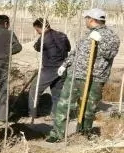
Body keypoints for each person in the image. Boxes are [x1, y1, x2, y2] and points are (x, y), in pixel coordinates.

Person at [47, 8, 120, 142]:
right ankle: (57, 134)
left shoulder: (111, 36)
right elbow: (76, 52)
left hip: (94, 78)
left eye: (87, 18)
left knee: (87, 109)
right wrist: (65, 64)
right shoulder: (87, 34)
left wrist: (100, 42)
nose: (85, 21)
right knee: (63, 105)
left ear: (92, 20)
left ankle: (84, 134)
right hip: (74, 75)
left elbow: (110, 54)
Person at [28, 19, 71, 119]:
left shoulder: (44, 38)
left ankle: (32, 114)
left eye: (37, 29)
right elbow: (68, 48)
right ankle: (56, 114)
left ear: (40, 27)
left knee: (34, 90)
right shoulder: (63, 35)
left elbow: (37, 48)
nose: (37, 32)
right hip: (63, 67)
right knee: (57, 93)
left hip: (49, 68)